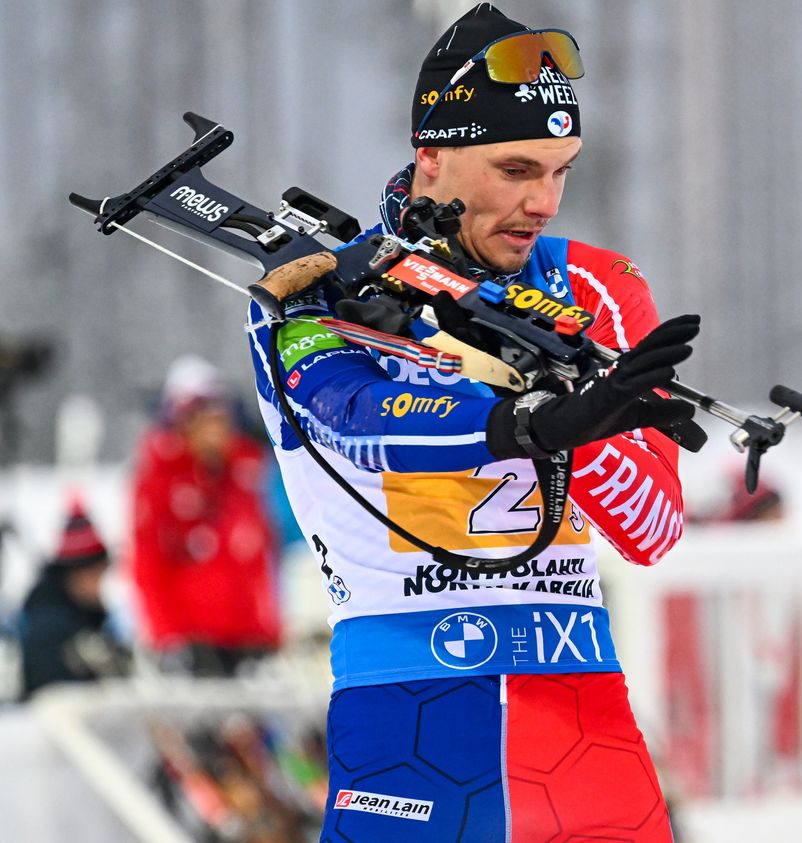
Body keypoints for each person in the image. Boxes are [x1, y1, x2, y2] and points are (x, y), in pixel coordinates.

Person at [244, 6, 697, 839]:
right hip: (407, 709)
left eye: (562, 170)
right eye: (517, 167)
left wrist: (582, 426)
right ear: (433, 157)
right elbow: (357, 422)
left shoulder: (595, 288)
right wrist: (534, 417)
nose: (543, 202)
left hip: (580, 709)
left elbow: (656, 531)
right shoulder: (321, 285)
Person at [129, 355, 281, 676]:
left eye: (221, 418)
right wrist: (168, 638)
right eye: (207, 419)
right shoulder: (159, 481)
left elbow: (263, 560)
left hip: (249, 638)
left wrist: (270, 630)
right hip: (192, 642)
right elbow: (148, 564)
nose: (217, 428)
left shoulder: (246, 472)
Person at [18, 496, 129, 700]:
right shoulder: (51, 628)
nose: (99, 586)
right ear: (75, 575)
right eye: (94, 576)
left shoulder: (92, 617)